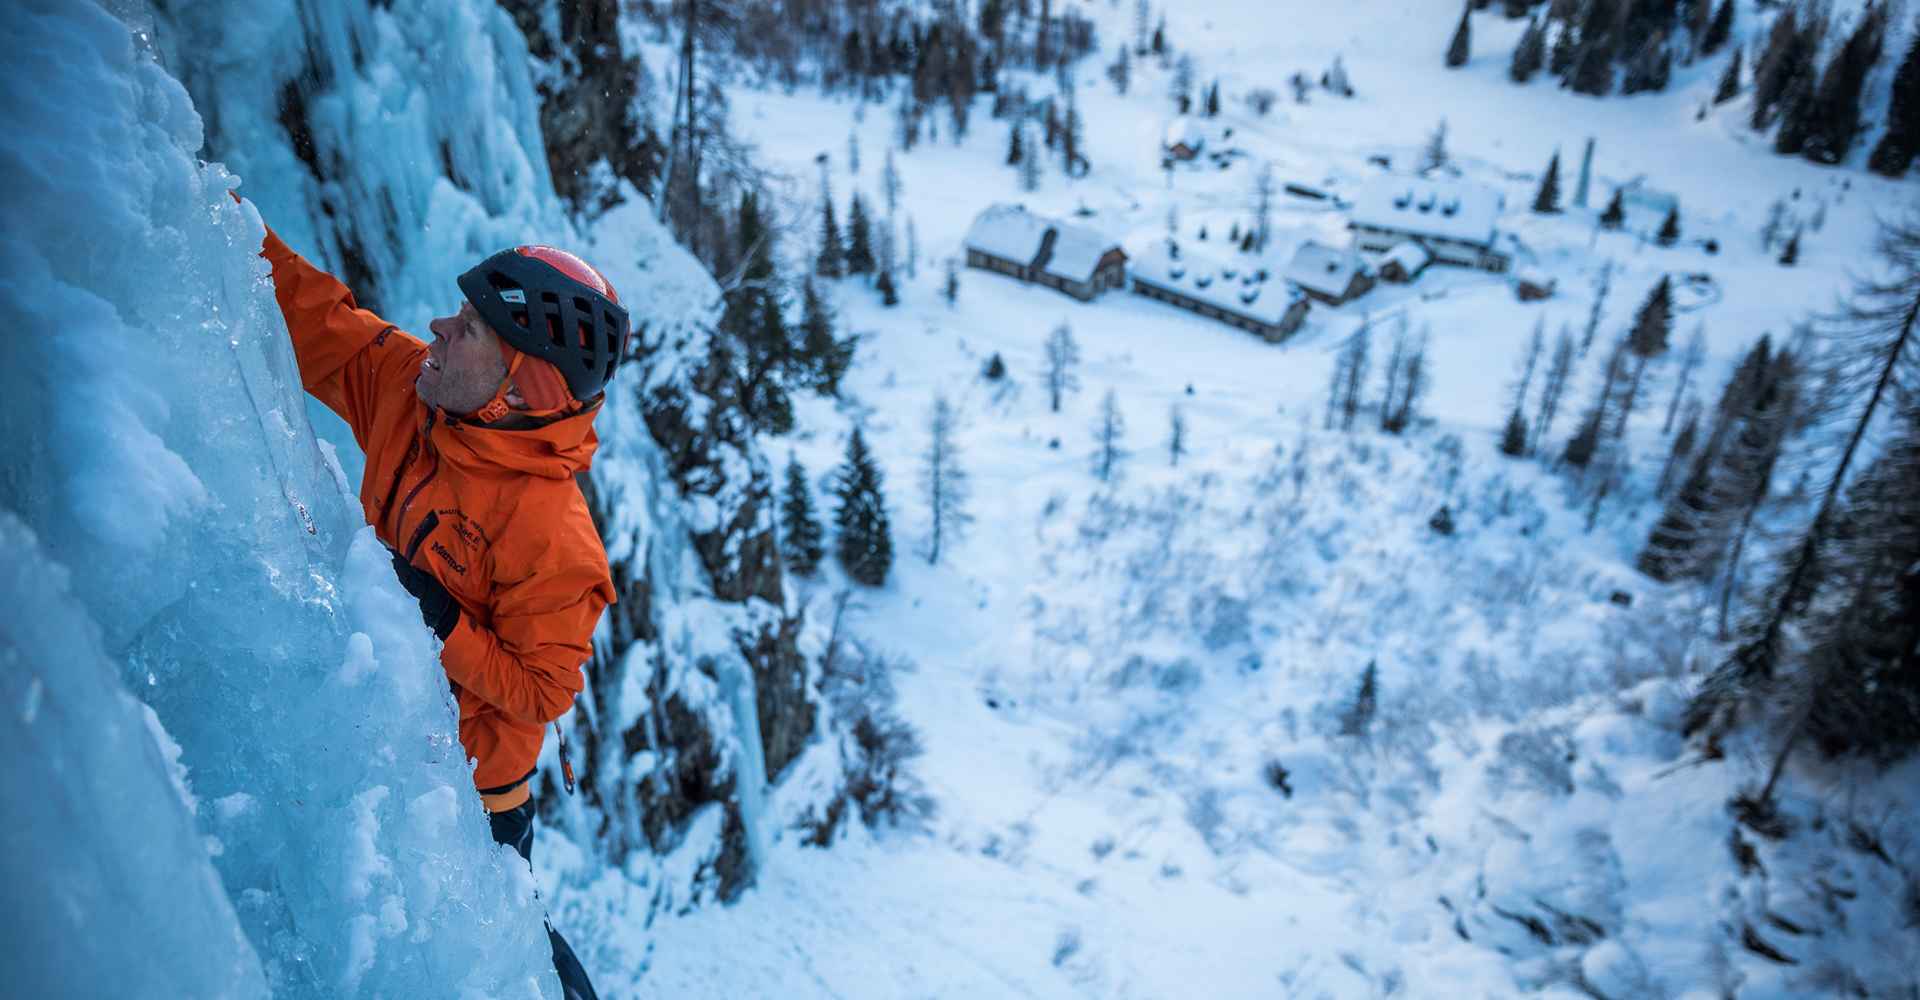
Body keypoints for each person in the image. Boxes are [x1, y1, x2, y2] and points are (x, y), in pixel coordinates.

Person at [250, 201, 619, 1000]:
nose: (438, 328)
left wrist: (440, 620)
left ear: (517, 393)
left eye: (469, 327)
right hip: (379, 729)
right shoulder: (408, 386)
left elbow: (542, 689)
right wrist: (211, 203)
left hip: (475, 795)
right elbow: (317, 318)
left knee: (488, 962)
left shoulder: (555, 539)